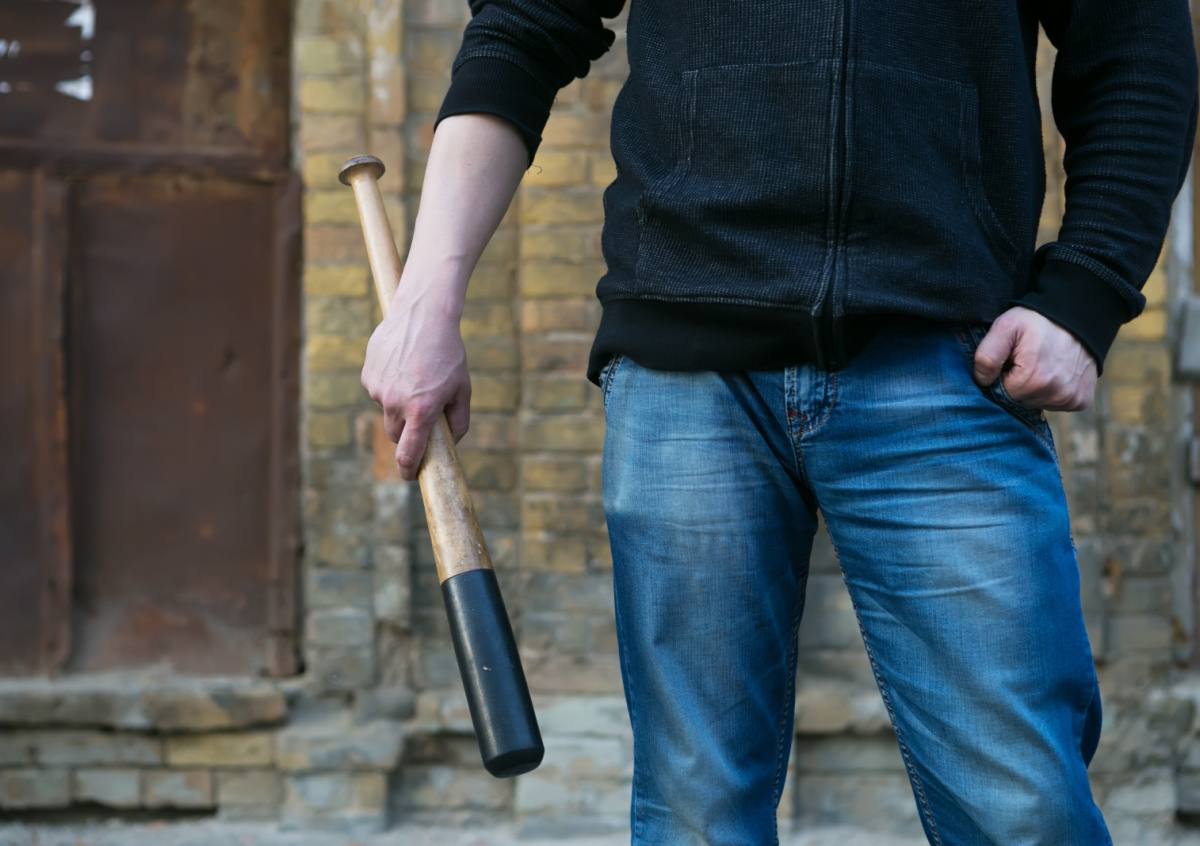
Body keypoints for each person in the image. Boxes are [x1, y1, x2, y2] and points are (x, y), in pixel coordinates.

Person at [361, 1, 1198, 842]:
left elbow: (1136, 44)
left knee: (1026, 813)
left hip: (947, 359)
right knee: (697, 818)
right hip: (685, 368)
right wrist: (426, 304)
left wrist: (1087, 289)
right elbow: (523, 23)